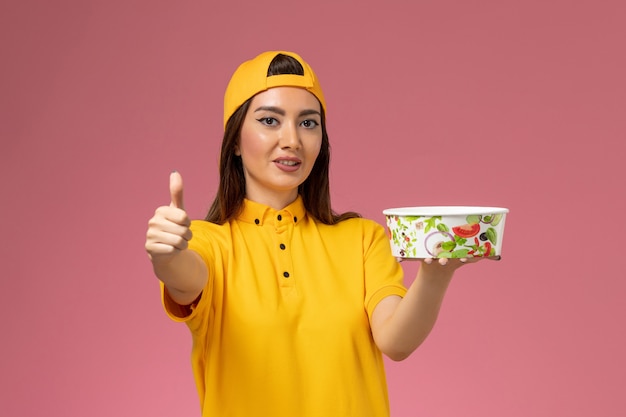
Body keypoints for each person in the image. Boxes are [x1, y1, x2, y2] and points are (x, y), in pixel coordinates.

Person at [145, 51, 496, 417]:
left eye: (308, 124)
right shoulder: (208, 242)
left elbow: (395, 341)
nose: (292, 139)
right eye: (270, 120)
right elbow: (186, 279)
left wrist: (436, 274)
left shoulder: (362, 239)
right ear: (234, 140)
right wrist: (167, 256)